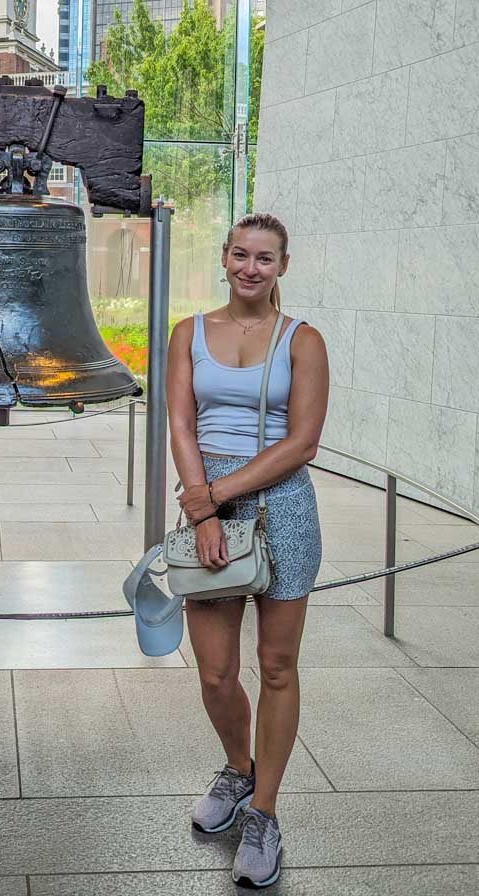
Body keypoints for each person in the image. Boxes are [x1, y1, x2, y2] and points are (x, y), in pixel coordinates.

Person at [165, 211, 329, 890]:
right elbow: (179, 420)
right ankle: (240, 769)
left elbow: (303, 443)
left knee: (278, 666)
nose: (251, 268)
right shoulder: (188, 334)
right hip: (210, 504)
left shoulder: (303, 340)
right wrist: (204, 505)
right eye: (241, 255)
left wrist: (214, 494)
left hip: (283, 503)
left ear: (282, 267)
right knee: (214, 671)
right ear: (225, 259)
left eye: (266, 259)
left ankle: (263, 813)